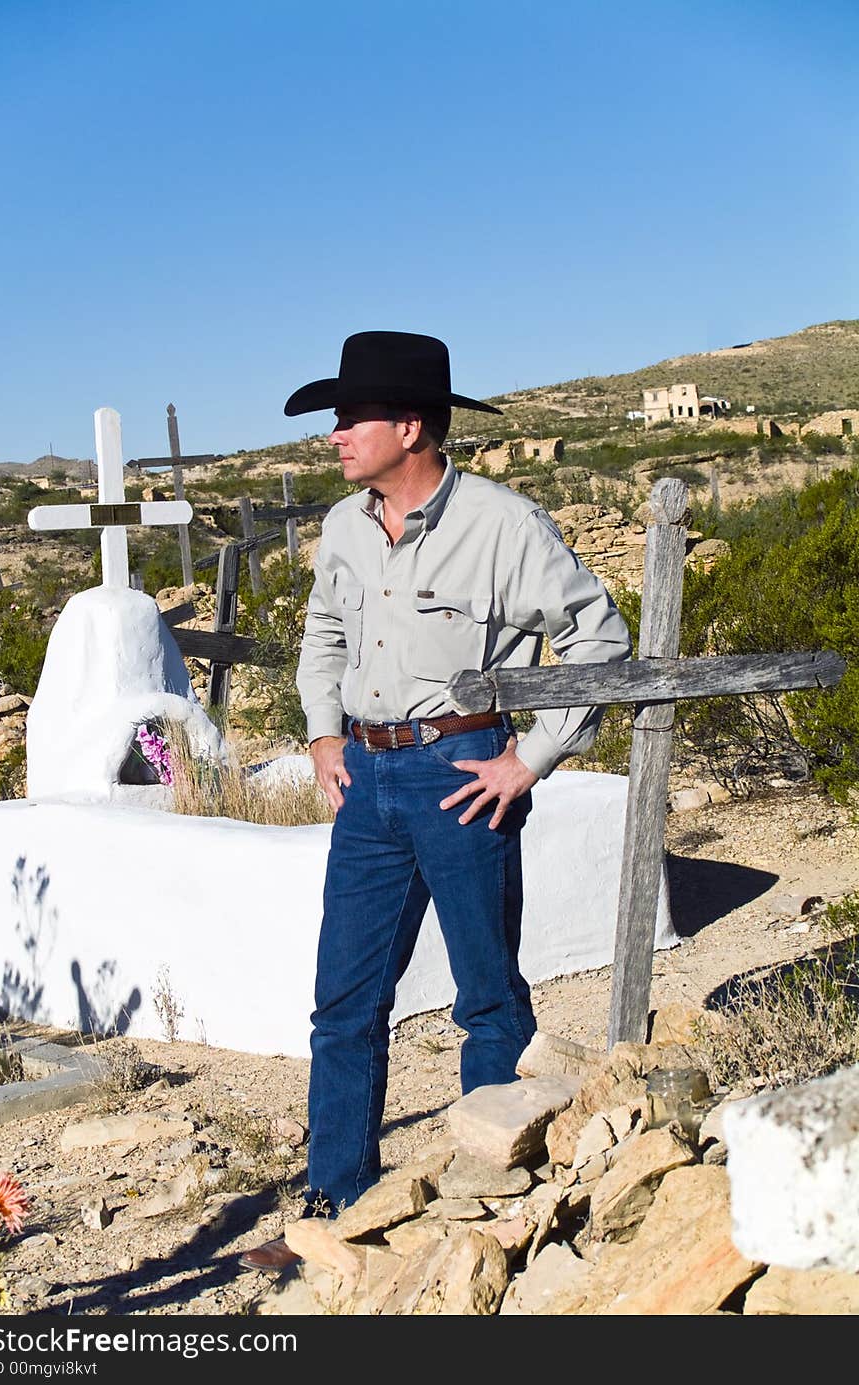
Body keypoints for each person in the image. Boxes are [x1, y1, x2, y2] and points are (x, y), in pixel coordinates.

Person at [238, 330, 631, 1273]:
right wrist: (324, 733)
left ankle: (483, 1205)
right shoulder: (342, 525)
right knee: (344, 1001)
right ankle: (334, 1202)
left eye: (350, 417)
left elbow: (601, 641)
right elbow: (324, 632)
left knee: (486, 999)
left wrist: (529, 760)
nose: (335, 435)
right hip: (366, 783)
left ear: (409, 425)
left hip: (462, 774)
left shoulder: (501, 525)